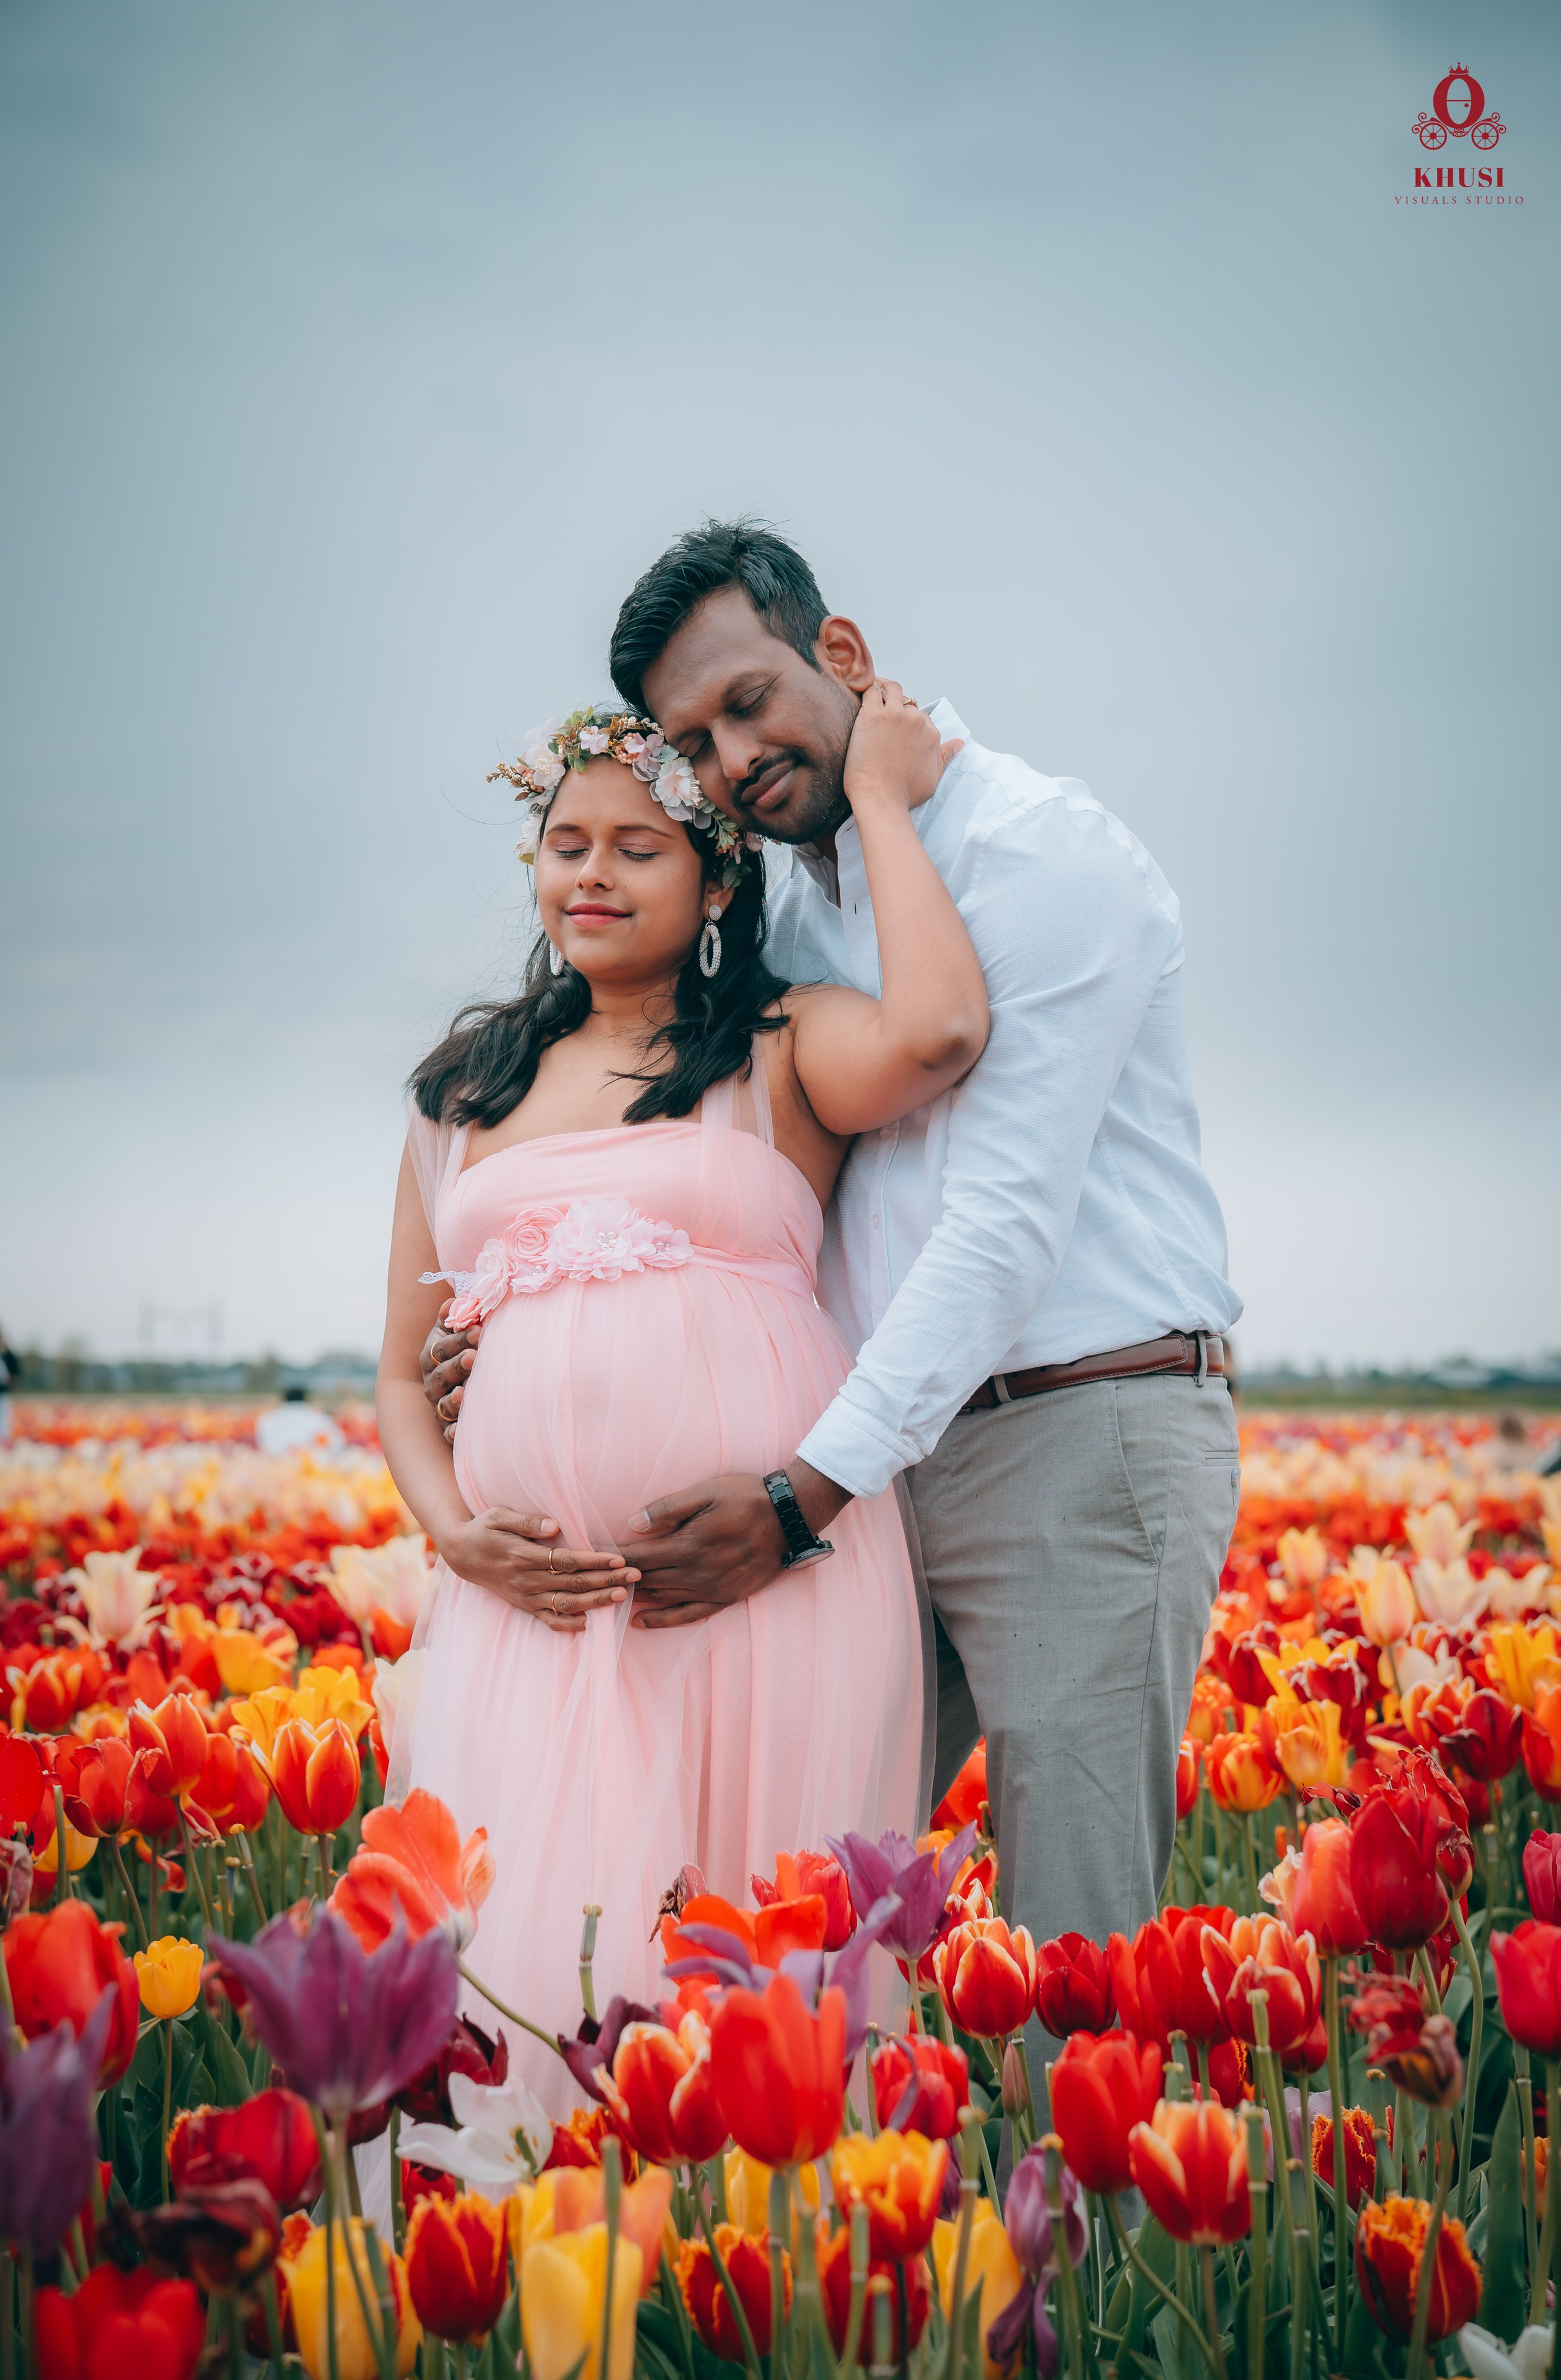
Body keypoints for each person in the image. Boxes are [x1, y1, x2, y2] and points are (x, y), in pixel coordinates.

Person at [426, 522, 1242, 2131]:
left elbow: (1001, 1226)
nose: (732, 759)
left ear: (844, 658)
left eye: (752, 704)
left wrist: (806, 1492)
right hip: (874, 1464)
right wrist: (514, 1323)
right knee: (784, 1898)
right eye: (699, 740)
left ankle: (1065, 2301)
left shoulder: (1042, 859)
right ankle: (798, 2252)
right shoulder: (790, 914)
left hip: (1067, 1435)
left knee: (1074, 1959)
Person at [380, 681, 984, 2109]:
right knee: (530, 1959)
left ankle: (757, 2290)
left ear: (719, 874)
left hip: (760, 1584)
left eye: (634, 847)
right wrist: (455, 1532)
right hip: (526, 1603)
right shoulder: (460, 1088)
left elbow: (944, 1032)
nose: (587, 873)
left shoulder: (780, 1042)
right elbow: (403, 1375)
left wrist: (882, 805)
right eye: (564, 843)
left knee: (751, 1952)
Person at [255, 1383, 345, 1457]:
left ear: (283, 1399)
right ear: (306, 1399)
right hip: (313, 1465)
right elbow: (337, 1444)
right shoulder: (320, 1418)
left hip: (276, 1465)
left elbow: (262, 1443)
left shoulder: (267, 1419)